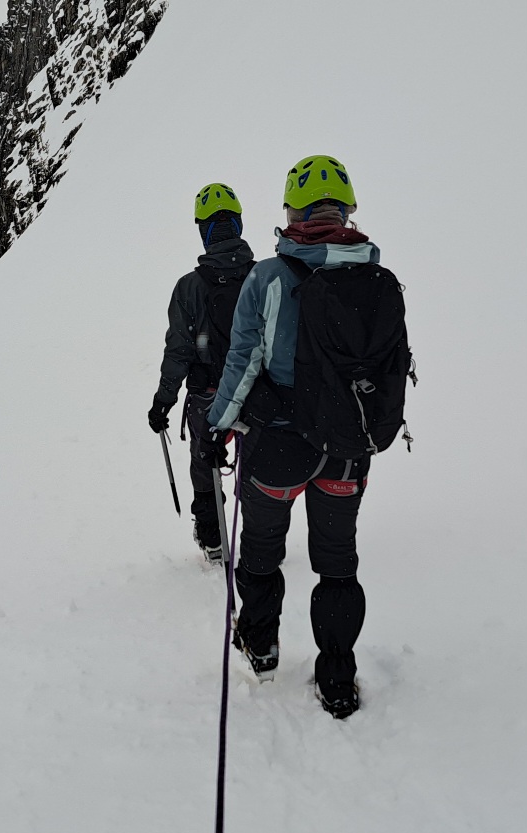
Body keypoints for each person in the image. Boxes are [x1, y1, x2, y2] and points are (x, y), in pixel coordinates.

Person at [205, 155, 386, 719]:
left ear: (293, 210)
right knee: (336, 563)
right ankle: (336, 675)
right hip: (348, 453)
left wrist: (219, 427)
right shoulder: (374, 279)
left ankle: (260, 645)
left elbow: (242, 361)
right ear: (347, 208)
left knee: (261, 553)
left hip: (279, 449)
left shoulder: (269, 278)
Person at [148, 183, 256, 562]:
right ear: (238, 224)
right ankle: (262, 536)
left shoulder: (189, 287)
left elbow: (178, 350)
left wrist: (163, 401)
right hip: (260, 392)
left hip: (207, 393)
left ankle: (213, 537)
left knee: (204, 460)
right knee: (260, 459)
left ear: (203, 231)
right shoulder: (264, 277)